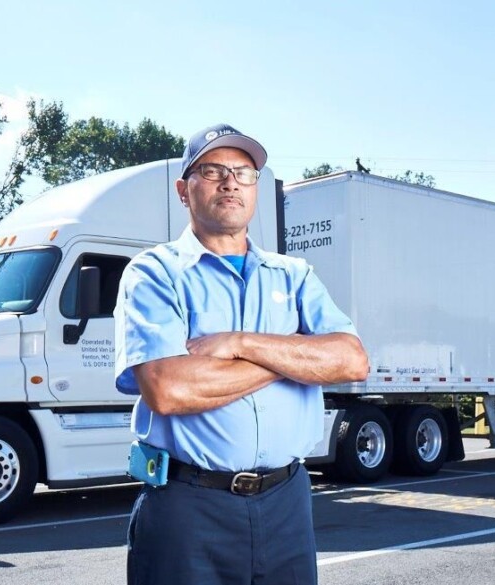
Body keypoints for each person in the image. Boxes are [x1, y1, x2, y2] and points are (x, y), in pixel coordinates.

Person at [114, 123, 369, 585]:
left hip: (287, 502)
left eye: (244, 172)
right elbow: (167, 389)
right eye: (212, 171)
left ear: (255, 187)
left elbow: (351, 360)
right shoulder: (155, 273)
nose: (230, 181)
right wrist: (290, 357)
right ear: (183, 190)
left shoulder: (293, 275)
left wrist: (241, 344)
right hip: (189, 507)